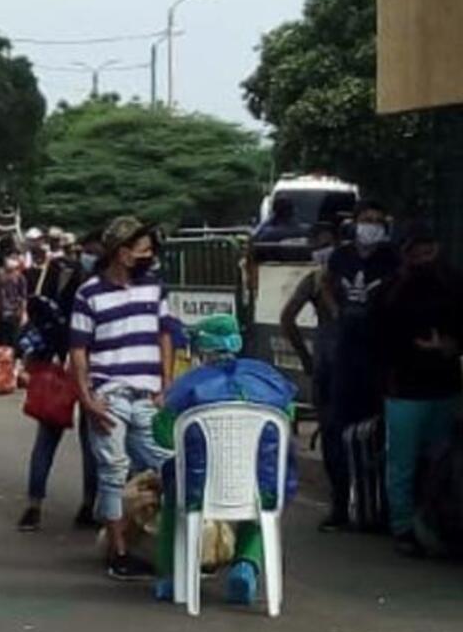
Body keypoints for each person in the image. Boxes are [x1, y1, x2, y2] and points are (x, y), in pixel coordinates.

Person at [152, 315, 298, 605]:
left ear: (202, 347)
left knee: (171, 481)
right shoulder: (268, 379)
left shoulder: (188, 386)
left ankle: (172, 575)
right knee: (265, 496)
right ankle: (246, 564)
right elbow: (287, 419)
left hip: (198, 488)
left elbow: (164, 437)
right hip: (260, 485)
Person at [69, 216, 174, 580]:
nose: (149, 256)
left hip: (146, 395)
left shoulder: (154, 289)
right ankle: (119, 552)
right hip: (109, 395)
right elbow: (78, 352)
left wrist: (165, 385)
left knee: (166, 463)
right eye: (143, 250)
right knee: (113, 473)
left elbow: (165, 336)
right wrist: (88, 400)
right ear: (123, 253)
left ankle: (167, 542)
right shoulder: (89, 294)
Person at [370, 224, 463, 555]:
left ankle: (436, 523)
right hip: (404, 389)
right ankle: (403, 527)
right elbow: (377, 340)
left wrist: (448, 346)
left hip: (445, 387)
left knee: (440, 462)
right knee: (403, 463)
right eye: (417, 251)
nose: (424, 257)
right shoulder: (391, 291)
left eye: (430, 250)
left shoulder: (452, 285)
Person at [321, 199, 400, 530]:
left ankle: (378, 508)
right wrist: (336, 311)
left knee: (378, 434)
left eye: (378, 221)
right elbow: (325, 283)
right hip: (345, 356)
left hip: (379, 357)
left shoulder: (390, 258)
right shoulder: (341, 256)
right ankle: (340, 505)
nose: (371, 226)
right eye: (366, 220)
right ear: (354, 224)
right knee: (336, 432)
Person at [17, 232, 99, 532]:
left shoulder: (54, 283)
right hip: (90, 368)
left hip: (56, 368)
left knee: (46, 439)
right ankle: (89, 504)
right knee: (91, 441)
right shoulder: (97, 290)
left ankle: (33, 505)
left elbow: (38, 324)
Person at [280, 222, 341, 513]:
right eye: (317, 247)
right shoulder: (316, 280)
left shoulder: (343, 277)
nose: (322, 252)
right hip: (328, 365)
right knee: (330, 433)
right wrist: (305, 358)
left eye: (326, 245)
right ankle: (339, 500)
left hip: (348, 361)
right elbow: (287, 318)